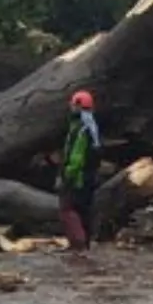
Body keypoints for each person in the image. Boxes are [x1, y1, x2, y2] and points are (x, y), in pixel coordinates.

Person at [56, 89, 101, 252]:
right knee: (84, 210)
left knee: (67, 209)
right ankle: (85, 243)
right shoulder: (92, 126)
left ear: (78, 106)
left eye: (73, 103)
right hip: (90, 176)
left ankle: (78, 243)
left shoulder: (81, 128)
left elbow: (77, 156)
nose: (70, 106)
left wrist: (67, 175)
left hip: (78, 177)